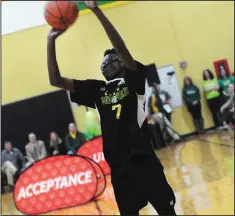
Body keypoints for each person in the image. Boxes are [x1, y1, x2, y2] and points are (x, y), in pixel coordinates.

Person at [46, 1, 176, 215]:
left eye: (111, 60)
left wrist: (96, 10)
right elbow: (55, 80)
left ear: (123, 63)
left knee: (166, 211)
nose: (105, 64)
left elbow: (121, 47)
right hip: (119, 169)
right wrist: (50, 42)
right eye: (103, 62)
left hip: (144, 162)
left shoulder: (133, 80)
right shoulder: (96, 90)